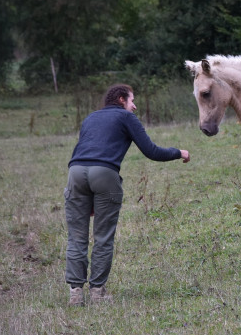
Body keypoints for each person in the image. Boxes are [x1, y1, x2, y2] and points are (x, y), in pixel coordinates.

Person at [64, 83, 190, 306]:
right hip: (104, 174)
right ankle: (97, 292)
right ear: (122, 99)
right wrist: (178, 152)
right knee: (103, 237)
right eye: (132, 100)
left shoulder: (90, 118)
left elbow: (81, 150)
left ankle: (75, 293)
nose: (135, 106)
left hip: (75, 173)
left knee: (76, 237)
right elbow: (151, 151)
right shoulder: (126, 117)